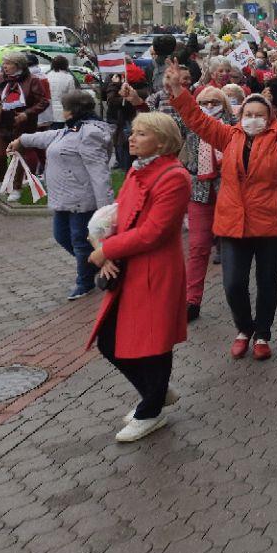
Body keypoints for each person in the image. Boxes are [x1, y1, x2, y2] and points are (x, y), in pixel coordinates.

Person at [167, 63, 277, 361]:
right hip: (233, 223)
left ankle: (262, 334)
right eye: (248, 115)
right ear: (240, 117)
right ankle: (243, 328)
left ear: (270, 118)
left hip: (271, 224)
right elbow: (196, 119)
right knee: (234, 283)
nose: (253, 119)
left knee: (267, 282)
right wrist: (177, 90)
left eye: (259, 115)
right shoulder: (228, 136)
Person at [85, 112, 191, 442]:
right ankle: (156, 393)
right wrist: (103, 247)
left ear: (162, 141)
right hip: (128, 266)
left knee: (153, 343)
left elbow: (153, 233)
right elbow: (122, 213)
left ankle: (151, 410)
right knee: (110, 341)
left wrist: (107, 250)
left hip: (155, 270)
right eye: (133, 131)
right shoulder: (137, 167)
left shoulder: (175, 177)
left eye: (142, 134)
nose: (132, 138)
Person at [7, 91, 113, 300]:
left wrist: (105, 209)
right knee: (61, 236)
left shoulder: (89, 133)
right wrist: (22, 140)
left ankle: (84, 282)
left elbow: (99, 172)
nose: (61, 111)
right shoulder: (69, 130)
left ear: (71, 111)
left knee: (79, 241)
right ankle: (94, 265)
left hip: (82, 199)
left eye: (63, 107)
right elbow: (47, 137)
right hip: (64, 198)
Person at [178, 84, 233, 321]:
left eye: (215, 102)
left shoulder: (234, 125)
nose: (210, 107)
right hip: (199, 192)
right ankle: (192, 301)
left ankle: (236, 294)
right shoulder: (190, 123)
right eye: (204, 103)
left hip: (228, 191)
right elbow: (165, 125)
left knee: (233, 248)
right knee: (198, 247)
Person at [0, 51, 50, 200]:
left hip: (22, 124)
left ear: (18, 65)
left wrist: (27, 113)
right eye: (4, 63)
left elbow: (43, 101)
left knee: (18, 156)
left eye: (8, 63)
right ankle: (0, 182)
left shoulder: (33, 81)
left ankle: (16, 188)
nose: (4, 66)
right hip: (0, 123)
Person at [45, 56, 78, 129]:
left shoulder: (47, 76)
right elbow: (71, 97)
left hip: (48, 111)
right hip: (62, 112)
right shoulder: (69, 77)